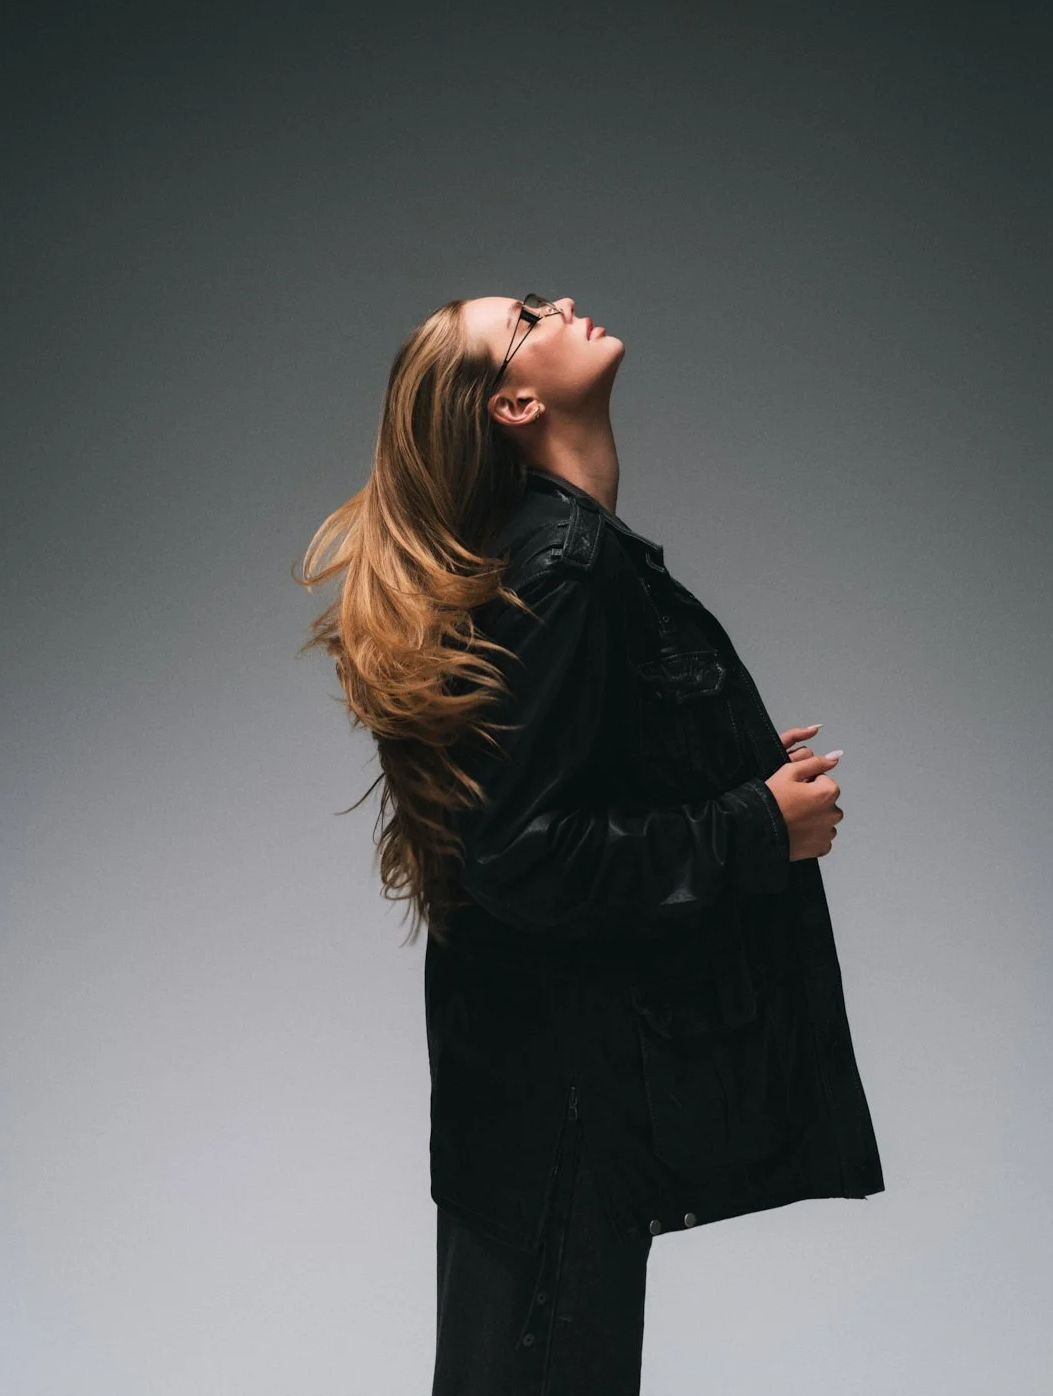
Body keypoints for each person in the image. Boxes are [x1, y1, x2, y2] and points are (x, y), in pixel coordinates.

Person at [297, 293, 884, 1394]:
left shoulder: (547, 555)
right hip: (562, 1096)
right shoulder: (563, 569)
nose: (560, 303)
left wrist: (718, 755)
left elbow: (549, 787)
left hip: (530, 1091)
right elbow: (524, 854)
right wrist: (761, 824)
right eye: (525, 316)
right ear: (513, 401)